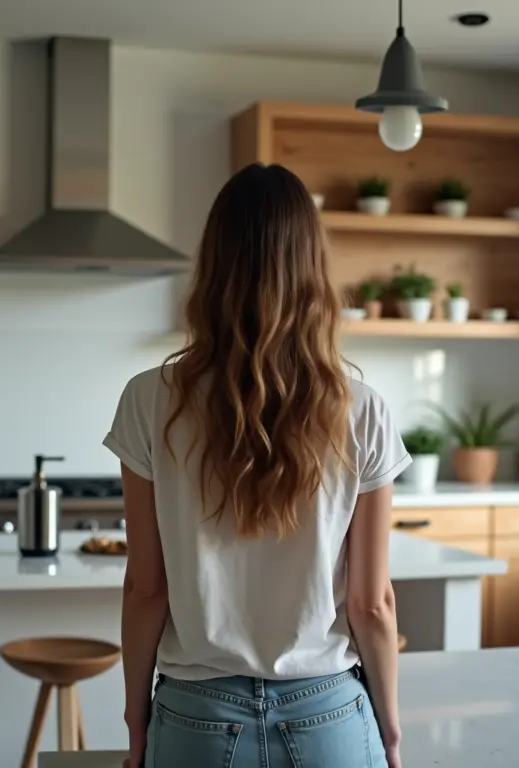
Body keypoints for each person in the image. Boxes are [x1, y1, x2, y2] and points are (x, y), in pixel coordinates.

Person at [103, 163, 410, 768]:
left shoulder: (148, 399)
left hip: (195, 716)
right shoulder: (362, 408)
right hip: (328, 715)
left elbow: (146, 589)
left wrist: (136, 726)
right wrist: (390, 732)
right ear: (313, 270)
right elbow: (371, 605)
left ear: (213, 265)